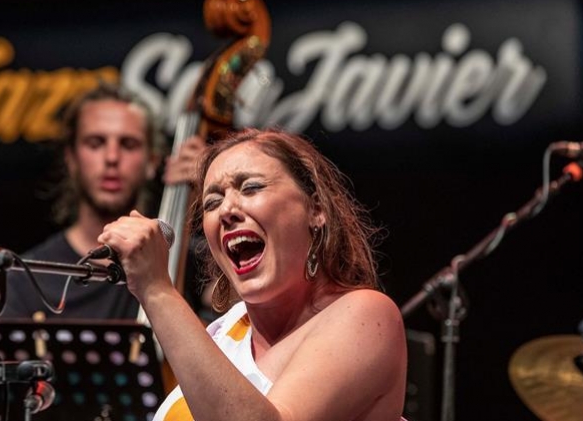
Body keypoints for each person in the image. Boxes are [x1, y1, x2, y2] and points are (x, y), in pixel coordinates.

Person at [98, 128, 408, 420]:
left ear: (316, 209)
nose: (227, 210)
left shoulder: (367, 315)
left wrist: (156, 290)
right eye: (212, 202)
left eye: (251, 187)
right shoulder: (225, 331)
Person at [2, 82, 208, 320]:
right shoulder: (26, 278)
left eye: (128, 144)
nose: (112, 157)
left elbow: (246, 315)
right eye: (96, 143)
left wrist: (214, 190)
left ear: (152, 161)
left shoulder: (189, 263)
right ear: (71, 159)